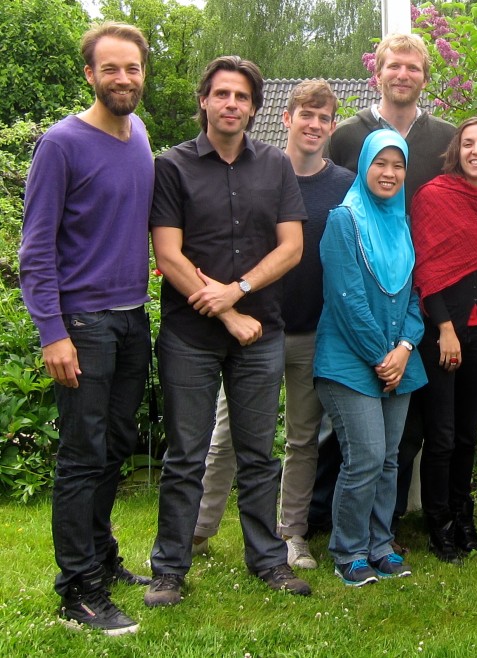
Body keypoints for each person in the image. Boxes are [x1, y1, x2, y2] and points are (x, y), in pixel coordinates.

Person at [146, 55, 311, 607]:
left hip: (260, 331)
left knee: (259, 454)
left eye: (241, 97)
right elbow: (168, 256)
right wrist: (223, 311)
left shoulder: (276, 167)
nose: (231, 104)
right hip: (189, 336)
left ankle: (267, 560)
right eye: (221, 94)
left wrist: (237, 292)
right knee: (186, 454)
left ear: (255, 107)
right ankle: (169, 568)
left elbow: (292, 247)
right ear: (204, 100)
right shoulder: (171, 166)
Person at [19, 21, 153, 636]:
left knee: (114, 449)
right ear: (90, 75)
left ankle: (101, 558)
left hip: (131, 318)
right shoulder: (61, 144)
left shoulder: (142, 136)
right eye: (111, 69)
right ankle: (78, 589)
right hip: (82, 323)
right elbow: (35, 250)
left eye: (132, 68)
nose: (123, 78)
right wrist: (52, 331)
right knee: (81, 456)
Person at [189, 80, 355, 570]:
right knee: (229, 435)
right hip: (255, 326)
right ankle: (198, 527)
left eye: (324, 118)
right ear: (286, 118)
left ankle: (292, 533)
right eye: (306, 114)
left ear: (331, 127)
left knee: (304, 437)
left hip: (313, 329)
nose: (314, 125)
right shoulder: (259, 170)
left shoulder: (344, 185)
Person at [312, 33, 456, 544]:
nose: (403, 74)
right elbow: (326, 185)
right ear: (378, 72)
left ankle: (382, 532)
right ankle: (327, 526)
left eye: (413, 67)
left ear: (424, 76)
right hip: (356, 316)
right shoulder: (350, 135)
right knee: (352, 443)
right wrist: (384, 352)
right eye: (394, 65)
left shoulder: (445, 136)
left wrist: (406, 343)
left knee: (397, 445)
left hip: (410, 313)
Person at [316, 130, 426, 586]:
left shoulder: (402, 224)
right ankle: (349, 550)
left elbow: (416, 298)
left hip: (397, 359)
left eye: (397, 165)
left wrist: (403, 349)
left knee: (389, 460)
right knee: (364, 456)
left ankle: (380, 545)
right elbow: (346, 298)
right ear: (364, 167)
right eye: (380, 164)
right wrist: (383, 355)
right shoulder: (344, 220)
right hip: (348, 360)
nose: (389, 173)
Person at [411, 118, 477, 563]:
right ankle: (439, 524)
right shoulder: (434, 196)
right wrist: (446, 328)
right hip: (441, 330)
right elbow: (427, 268)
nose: (476, 151)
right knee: (443, 435)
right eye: (468, 143)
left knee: (469, 434)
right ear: (457, 150)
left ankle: (463, 514)